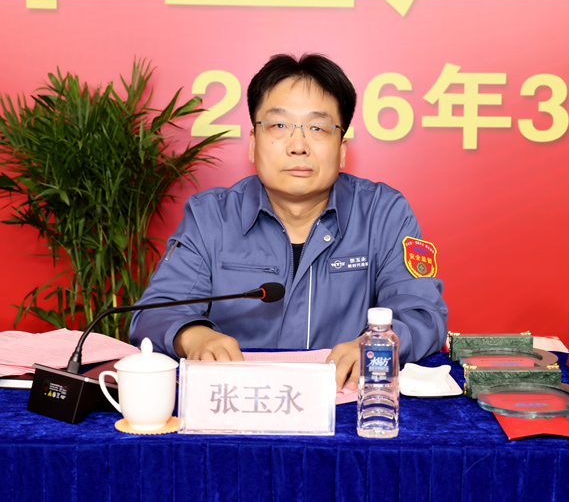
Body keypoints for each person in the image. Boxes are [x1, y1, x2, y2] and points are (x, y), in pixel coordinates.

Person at [129, 53, 448, 392]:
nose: (298, 146)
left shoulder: (383, 213)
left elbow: (423, 314)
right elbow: (153, 313)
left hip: (344, 406)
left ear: (342, 150)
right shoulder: (210, 217)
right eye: (279, 126)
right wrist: (194, 336)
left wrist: (376, 345)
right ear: (253, 143)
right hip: (239, 404)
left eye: (318, 128)